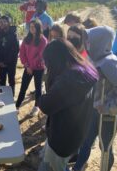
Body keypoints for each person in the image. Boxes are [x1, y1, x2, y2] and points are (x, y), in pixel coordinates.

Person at [72, 26, 117, 171]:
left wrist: (110, 107)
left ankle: (105, 167)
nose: (86, 44)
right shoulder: (94, 58)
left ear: (98, 42)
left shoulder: (109, 62)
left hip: (108, 114)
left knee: (105, 145)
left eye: (89, 41)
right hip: (95, 110)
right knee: (86, 141)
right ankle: (78, 167)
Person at [38, 39, 99, 171]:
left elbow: (46, 105)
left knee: (52, 167)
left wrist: (47, 84)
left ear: (55, 61)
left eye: (47, 62)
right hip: (76, 132)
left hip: (62, 138)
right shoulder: (85, 68)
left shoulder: (68, 80)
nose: (46, 65)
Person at [16, 19, 47, 116]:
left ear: (38, 28)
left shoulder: (43, 40)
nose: (32, 29)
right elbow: (22, 53)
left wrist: (31, 67)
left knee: (38, 88)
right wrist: (27, 66)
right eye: (31, 27)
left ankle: (36, 107)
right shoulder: (26, 39)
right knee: (23, 87)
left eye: (34, 27)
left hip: (39, 68)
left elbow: (40, 56)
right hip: (28, 67)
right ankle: (17, 106)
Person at [0, 15, 19, 95]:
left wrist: (7, 62)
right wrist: (0, 61)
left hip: (11, 63)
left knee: (11, 81)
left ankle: (11, 97)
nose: (2, 23)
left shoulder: (14, 34)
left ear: (8, 23)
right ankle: (3, 97)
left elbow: (15, 50)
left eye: (4, 21)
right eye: (0, 22)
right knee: (2, 81)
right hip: (1, 63)